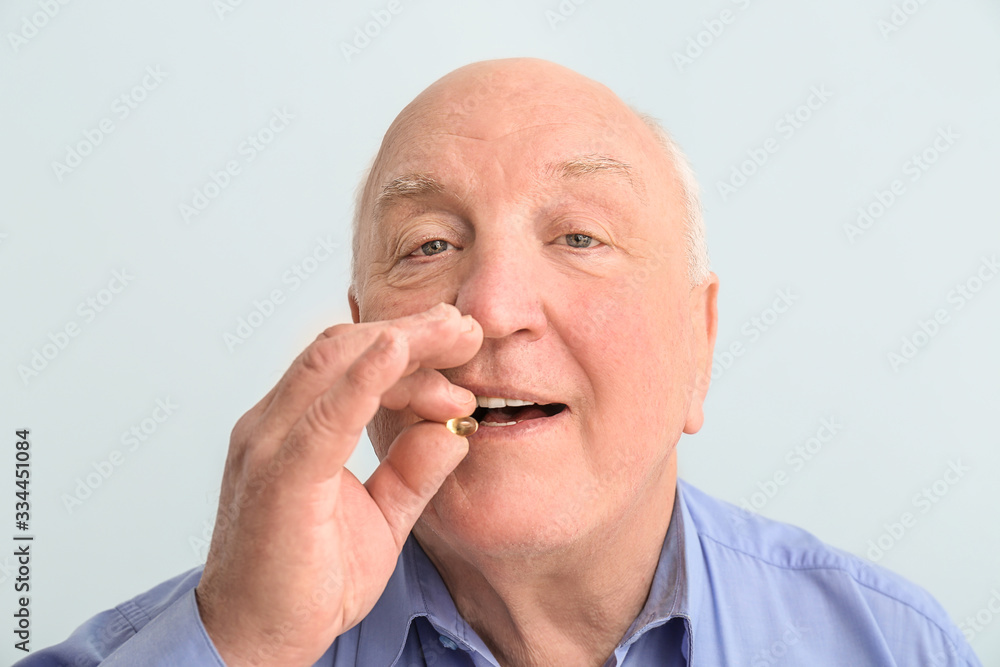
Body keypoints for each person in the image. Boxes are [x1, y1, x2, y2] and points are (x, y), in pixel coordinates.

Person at [19, 58, 979, 667]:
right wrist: (242, 644)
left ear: (701, 343)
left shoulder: (892, 645)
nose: (491, 307)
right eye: (429, 246)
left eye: (580, 236)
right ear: (361, 351)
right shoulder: (216, 642)